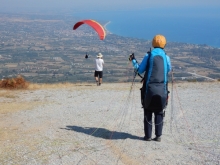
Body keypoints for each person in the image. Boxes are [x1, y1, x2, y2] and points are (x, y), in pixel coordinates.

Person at [129, 34, 171, 142]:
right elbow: (168, 70)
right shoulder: (166, 57)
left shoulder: (149, 55)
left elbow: (140, 70)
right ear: (164, 44)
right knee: (159, 111)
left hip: (149, 89)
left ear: (153, 43)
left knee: (148, 110)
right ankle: (158, 136)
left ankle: (147, 136)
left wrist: (133, 60)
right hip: (162, 89)